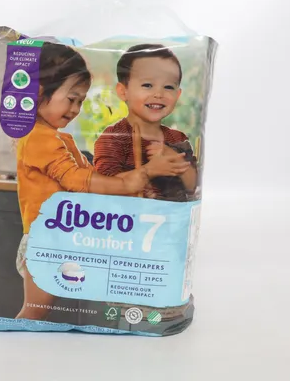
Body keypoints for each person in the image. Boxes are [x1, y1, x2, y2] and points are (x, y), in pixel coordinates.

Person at [15, 42, 190, 320]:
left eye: (81, 101)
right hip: (47, 244)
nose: (76, 109)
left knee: (56, 308)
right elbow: (77, 180)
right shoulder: (37, 138)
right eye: (71, 98)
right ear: (38, 92)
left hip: (66, 239)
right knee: (36, 309)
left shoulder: (60, 138)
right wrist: (140, 176)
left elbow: (91, 183)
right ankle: (17, 341)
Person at [94, 44, 198, 202]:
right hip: (129, 215)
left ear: (178, 95)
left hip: (171, 214)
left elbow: (193, 186)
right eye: (147, 85)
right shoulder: (114, 138)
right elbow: (103, 186)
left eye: (168, 87)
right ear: (123, 91)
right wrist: (149, 171)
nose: (158, 94)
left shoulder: (177, 138)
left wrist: (174, 157)